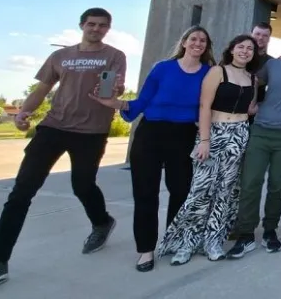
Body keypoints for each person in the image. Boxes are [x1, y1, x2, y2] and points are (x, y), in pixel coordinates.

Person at [0, 8, 127, 297]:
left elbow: (115, 85)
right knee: (21, 192)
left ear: (108, 29)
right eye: (91, 24)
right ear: (81, 25)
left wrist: (115, 90)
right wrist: (25, 111)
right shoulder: (61, 57)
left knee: (82, 185)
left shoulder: (114, 55)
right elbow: (44, 86)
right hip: (53, 127)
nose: (96, 29)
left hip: (91, 132)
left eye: (102, 26)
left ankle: (102, 222)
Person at [91, 26, 215, 272]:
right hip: (151, 133)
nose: (197, 43)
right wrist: (114, 102)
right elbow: (142, 102)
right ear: (184, 42)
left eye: (202, 40)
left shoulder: (209, 73)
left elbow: (208, 107)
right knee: (146, 194)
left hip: (183, 136)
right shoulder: (162, 68)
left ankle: (173, 240)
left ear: (206, 46)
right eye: (193, 39)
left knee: (181, 192)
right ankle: (145, 249)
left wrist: (205, 139)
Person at [153, 35, 260, 265]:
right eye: (240, 47)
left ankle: (213, 241)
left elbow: (250, 108)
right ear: (231, 50)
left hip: (239, 134)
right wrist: (204, 139)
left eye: (250, 48)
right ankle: (186, 243)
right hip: (214, 133)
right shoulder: (217, 72)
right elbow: (204, 106)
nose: (245, 51)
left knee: (226, 191)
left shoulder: (253, 79)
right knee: (201, 191)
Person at [228, 27, 281, 257]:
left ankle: (270, 230)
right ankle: (246, 234)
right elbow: (255, 81)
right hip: (261, 130)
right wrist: (253, 104)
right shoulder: (274, 64)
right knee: (251, 181)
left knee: (278, 184)